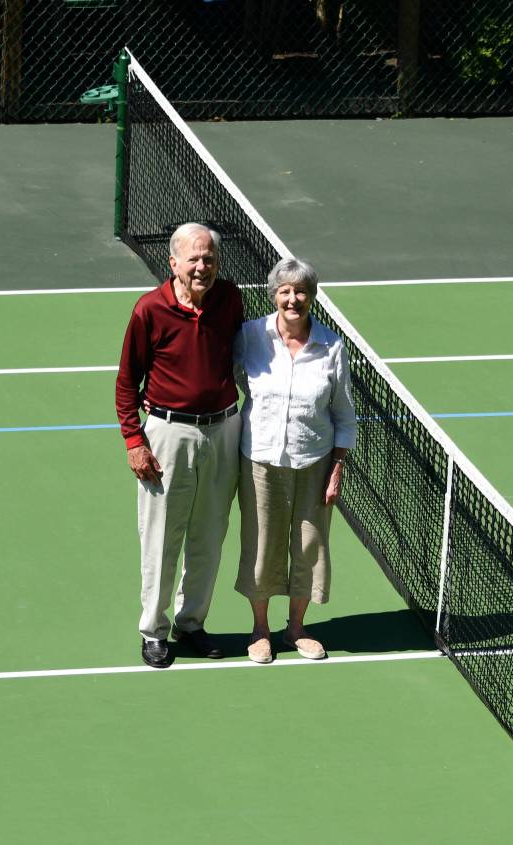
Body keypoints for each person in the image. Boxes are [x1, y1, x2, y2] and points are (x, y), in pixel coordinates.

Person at [115, 223, 243, 668]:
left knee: (209, 533)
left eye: (209, 258)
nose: (202, 266)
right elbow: (127, 382)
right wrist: (135, 440)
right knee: (162, 536)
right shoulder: (149, 310)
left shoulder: (230, 299)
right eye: (194, 259)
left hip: (225, 430)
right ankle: (154, 630)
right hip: (168, 435)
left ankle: (192, 623)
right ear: (173, 264)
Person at [234, 257, 357, 664]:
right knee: (261, 544)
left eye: (301, 291)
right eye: (285, 291)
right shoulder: (251, 336)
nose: (293, 299)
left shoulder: (331, 347)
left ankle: (296, 629)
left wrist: (337, 467)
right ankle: (260, 630)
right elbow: (224, 381)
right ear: (274, 296)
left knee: (309, 545)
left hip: (314, 463)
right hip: (260, 461)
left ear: (312, 297)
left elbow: (343, 414)